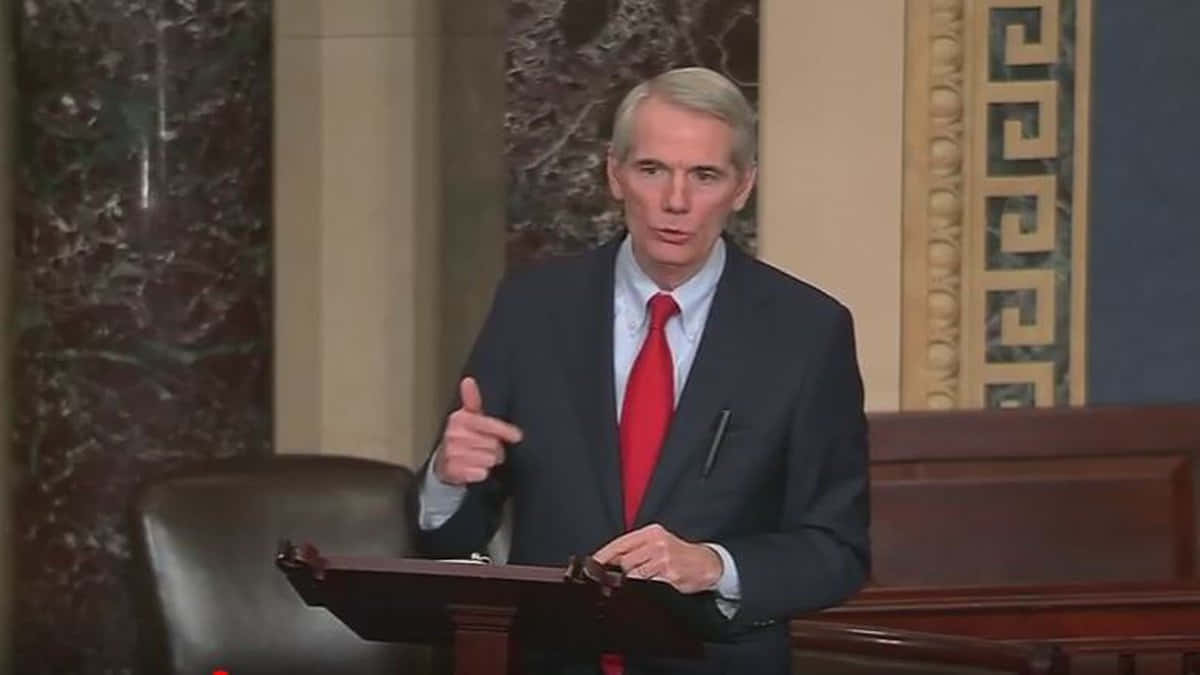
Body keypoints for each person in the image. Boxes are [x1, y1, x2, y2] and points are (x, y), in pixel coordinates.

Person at [416, 66, 869, 675]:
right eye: (652, 170)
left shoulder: (807, 332)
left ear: (743, 187)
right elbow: (451, 540)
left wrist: (715, 566)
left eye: (704, 175)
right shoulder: (533, 309)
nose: (675, 202)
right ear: (614, 173)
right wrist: (447, 479)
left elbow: (837, 548)